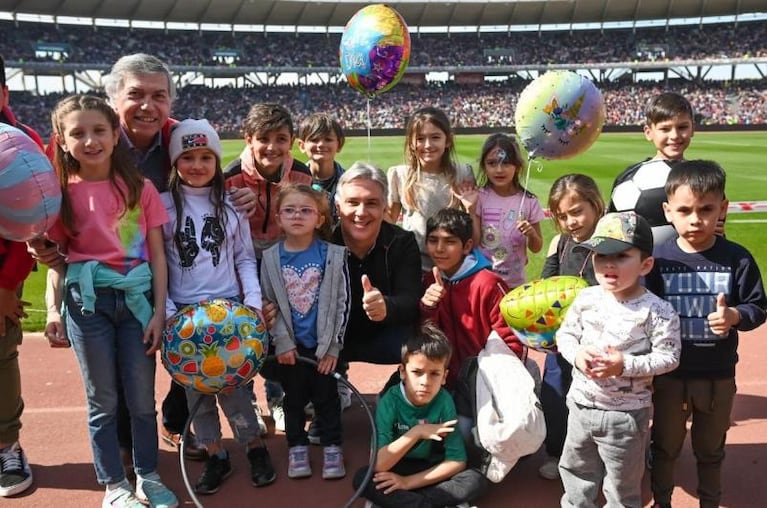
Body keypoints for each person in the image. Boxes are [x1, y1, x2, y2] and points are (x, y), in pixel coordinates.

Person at [43, 95, 178, 508]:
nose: (90, 140)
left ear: (115, 135)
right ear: (63, 142)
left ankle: (148, 475)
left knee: (141, 399)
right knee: (102, 400)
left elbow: (157, 255)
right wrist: (52, 309)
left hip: (136, 304)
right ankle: (114, 485)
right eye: (78, 133)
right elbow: (57, 262)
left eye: (99, 130)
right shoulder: (60, 196)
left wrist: (158, 311)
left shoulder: (140, 188)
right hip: (89, 305)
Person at [161, 119, 276, 494]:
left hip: (228, 312)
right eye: (188, 157)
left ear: (216, 160)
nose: (197, 165)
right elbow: (156, 265)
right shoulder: (163, 209)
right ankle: (215, 455)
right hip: (184, 319)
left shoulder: (231, 206)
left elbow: (244, 259)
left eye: (205, 157)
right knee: (197, 395)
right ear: (175, 161)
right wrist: (167, 314)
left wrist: (253, 302)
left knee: (236, 390)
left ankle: (253, 446)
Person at [645, 160, 767, 508]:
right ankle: (663, 501)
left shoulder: (737, 259)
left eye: (706, 209)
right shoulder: (658, 259)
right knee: (665, 448)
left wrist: (734, 315)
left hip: (717, 375)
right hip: (670, 376)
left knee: (710, 450)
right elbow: (644, 310)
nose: (695, 219)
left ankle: (710, 502)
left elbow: (758, 307)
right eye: (684, 210)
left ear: (723, 208)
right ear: (668, 211)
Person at [556, 211, 681, 508]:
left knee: (622, 484)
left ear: (645, 264)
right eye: (600, 256)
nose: (608, 264)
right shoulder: (586, 298)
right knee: (576, 471)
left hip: (625, 417)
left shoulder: (657, 310)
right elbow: (565, 335)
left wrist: (624, 364)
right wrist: (577, 355)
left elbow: (670, 357)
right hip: (581, 406)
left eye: (622, 256)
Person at [223, 102, 313, 433]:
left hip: (283, 259)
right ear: (248, 138)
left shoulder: (303, 173)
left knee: (280, 330)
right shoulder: (229, 176)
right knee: (247, 332)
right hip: (240, 263)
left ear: (291, 141)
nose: (272, 147)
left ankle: (275, 396)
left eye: (281, 139)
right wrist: (231, 207)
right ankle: (246, 399)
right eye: (264, 138)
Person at [260, 184, 350, 480]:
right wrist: (283, 343)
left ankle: (332, 445)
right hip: (291, 350)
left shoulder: (334, 255)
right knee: (294, 397)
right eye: (289, 210)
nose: (297, 215)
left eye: (306, 210)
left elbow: (342, 303)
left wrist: (333, 347)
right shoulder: (271, 258)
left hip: (323, 348)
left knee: (327, 397)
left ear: (320, 219)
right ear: (278, 217)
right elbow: (268, 304)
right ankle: (297, 446)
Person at [352, 323, 487, 508]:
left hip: (428, 468)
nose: (425, 382)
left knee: (476, 479)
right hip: (396, 465)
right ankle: (430, 502)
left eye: (434, 374)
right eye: (417, 372)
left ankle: (414, 502)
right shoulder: (389, 402)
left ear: (444, 376)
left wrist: (407, 483)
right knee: (363, 478)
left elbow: (457, 461)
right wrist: (416, 432)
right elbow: (379, 464)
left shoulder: (444, 400)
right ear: (402, 372)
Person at [537, 173, 604, 481]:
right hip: (560, 339)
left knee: (597, 403)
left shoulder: (610, 242)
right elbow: (545, 286)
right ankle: (558, 453)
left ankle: (604, 457)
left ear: (596, 205)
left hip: (599, 340)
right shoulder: (561, 242)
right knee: (553, 394)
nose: (570, 222)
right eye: (562, 216)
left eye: (577, 212)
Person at [419, 207, 523, 389]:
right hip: (441, 381)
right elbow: (423, 336)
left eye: (449, 241)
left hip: (484, 380)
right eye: (433, 241)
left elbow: (511, 337)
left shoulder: (488, 283)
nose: (440, 249)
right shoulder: (429, 280)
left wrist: (501, 381)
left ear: (467, 246)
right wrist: (427, 307)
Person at [332, 162, 422, 366]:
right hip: (333, 337)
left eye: (371, 203)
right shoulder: (323, 243)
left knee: (417, 347)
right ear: (338, 208)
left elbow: (410, 300)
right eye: (352, 203)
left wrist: (386, 306)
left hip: (385, 334)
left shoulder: (402, 242)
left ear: (384, 208)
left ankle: (396, 393)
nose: (361, 212)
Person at [0, 53, 39, 498]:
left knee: (1, 360)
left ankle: (8, 445)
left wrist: (8, 285)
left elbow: (30, 223)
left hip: (0, 280)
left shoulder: (22, 141)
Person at [386, 106, 476, 271]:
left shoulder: (462, 173)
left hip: (453, 266)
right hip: (413, 265)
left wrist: (472, 208)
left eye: (435, 137)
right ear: (412, 143)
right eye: (420, 138)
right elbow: (389, 219)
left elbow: (471, 223)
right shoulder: (400, 175)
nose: (428, 145)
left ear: (447, 140)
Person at [607, 92, 696, 245]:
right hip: (642, 266)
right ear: (648, 133)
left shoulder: (705, 178)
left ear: (692, 129)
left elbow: (718, 237)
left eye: (682, 127)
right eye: (665, 129)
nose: (674, 135)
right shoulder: (627, 179)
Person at [470, 133, 544, 289]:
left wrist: (531, 233)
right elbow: (474, 242)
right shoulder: (479, 197)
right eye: (492, 163)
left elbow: (536, 247)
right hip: (484, 280)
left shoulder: (529, 201)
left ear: (517, 166)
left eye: (506, 163)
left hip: (515, 283)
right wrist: (469, 209)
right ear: (484, 166)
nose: (499, 169)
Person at [297, 112, 346, 224]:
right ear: (302, 146)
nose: (321, 144)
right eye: (314, 140)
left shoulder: (349, 182)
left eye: (328, 139)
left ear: (339, 145)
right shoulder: (292, 181)